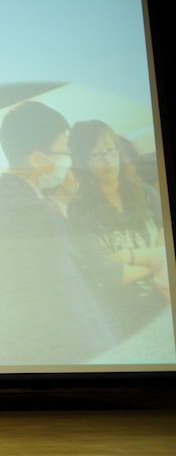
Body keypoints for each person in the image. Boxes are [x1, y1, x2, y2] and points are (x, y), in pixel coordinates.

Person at [0, 101, 119, 364]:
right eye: (64, 150)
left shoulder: (4, 200)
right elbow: (64, 297)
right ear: (38, 159)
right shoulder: (30, 213)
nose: (68, 159)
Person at [68, 120, 170, 336]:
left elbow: (168, 251)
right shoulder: (79, 210)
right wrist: (156, 260)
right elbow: (107, 276)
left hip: (166, 303)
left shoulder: (146, 193)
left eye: (110, 150)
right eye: (95, 155)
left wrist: (127, 256)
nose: (107, 160)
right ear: (82, 162)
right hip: (129, 320)